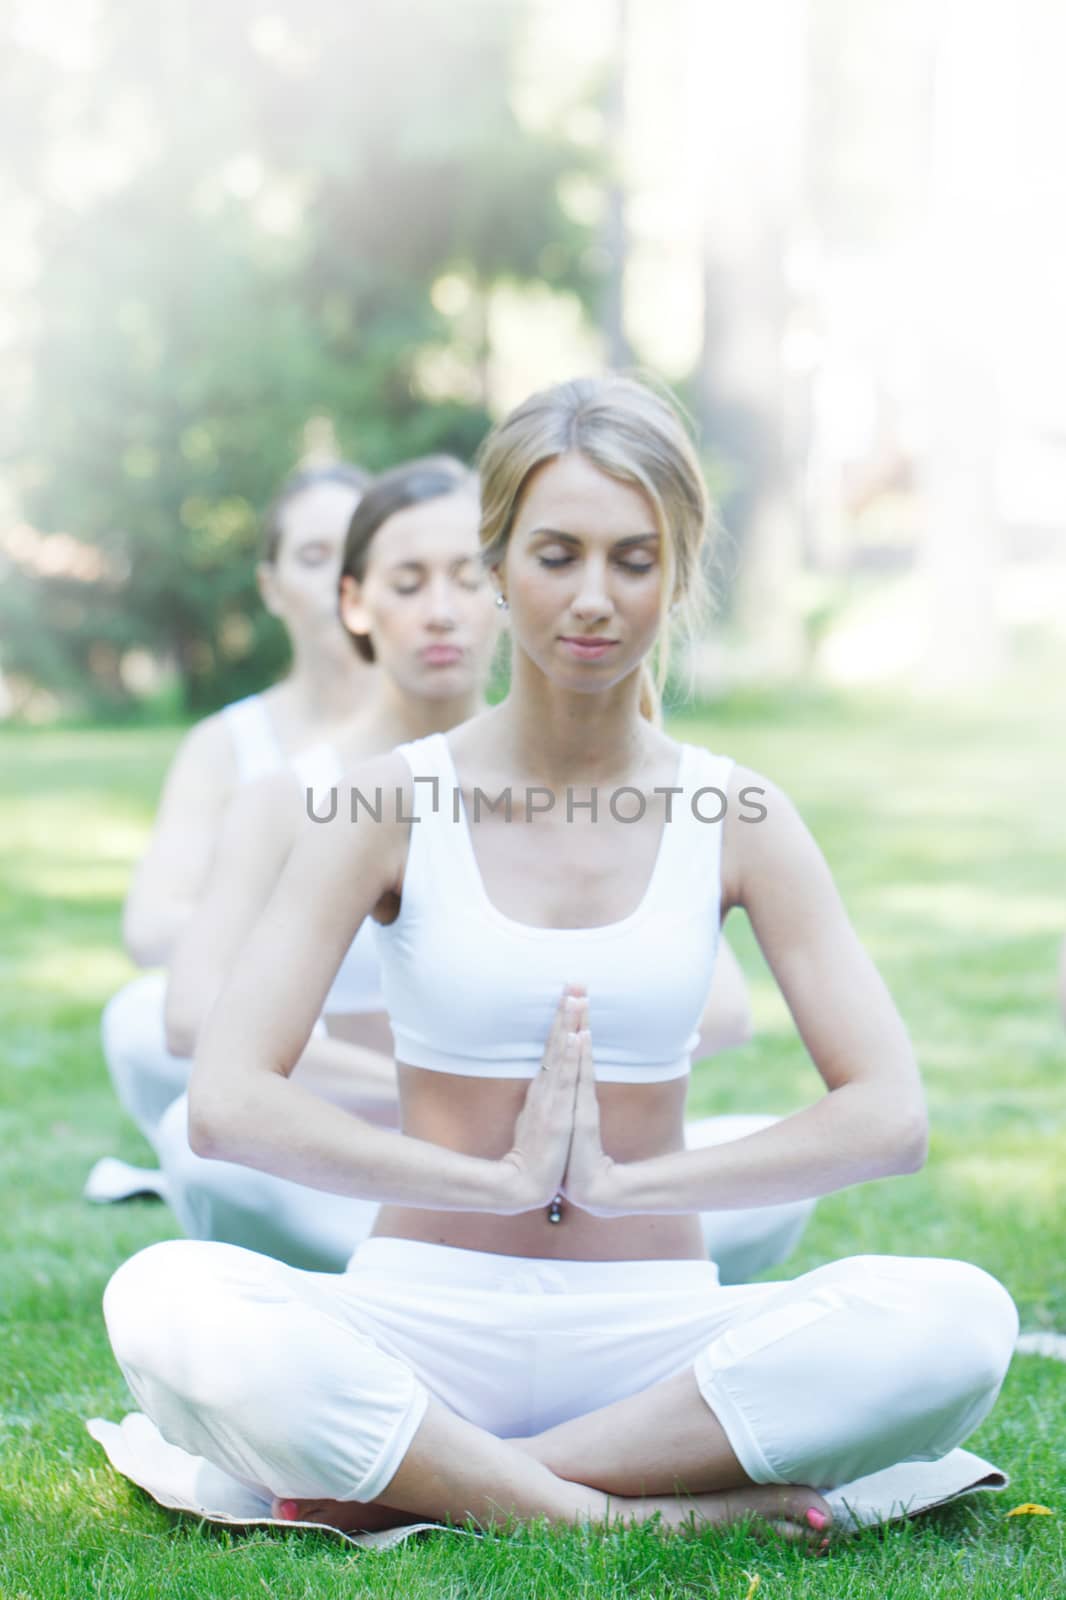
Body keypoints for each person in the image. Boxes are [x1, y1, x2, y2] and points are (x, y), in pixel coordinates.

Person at [101, 376, 1017, 1544]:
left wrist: (634, 1185)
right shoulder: (389, 803)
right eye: (556, 554)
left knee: (956, 1318)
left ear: (679, 571)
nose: (593, 598)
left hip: (655, 1336)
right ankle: (618, 1516)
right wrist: (486, 1180)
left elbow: (889, 1115)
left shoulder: (736, 812)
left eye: (634, 559)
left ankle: (470, 1479)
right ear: (496, 567)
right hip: (419, 1315)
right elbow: (225, 1102)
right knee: (165, 1298)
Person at [155, 456, 803, 1282]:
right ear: (354, 602)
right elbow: (191, 1023)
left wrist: (552, 1106)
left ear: (502, 586)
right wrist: (447, 1101)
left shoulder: (629, 792)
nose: (442, 613)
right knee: (194, 1138)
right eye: (409, 581)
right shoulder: (301, 802)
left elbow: (728, 1013)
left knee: (770, 1171)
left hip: (572, 1166)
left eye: (466, 579)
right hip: (356, 1164)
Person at [86, 463, 370, 1202]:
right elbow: (152, 926)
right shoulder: (228, 744)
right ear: (272, 586)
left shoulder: (444, 735)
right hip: (277, 1018)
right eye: (313, 556)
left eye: (358, 551)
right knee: (140, 1019)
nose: (341, 577)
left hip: (402, 1029)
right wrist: (299, 957)